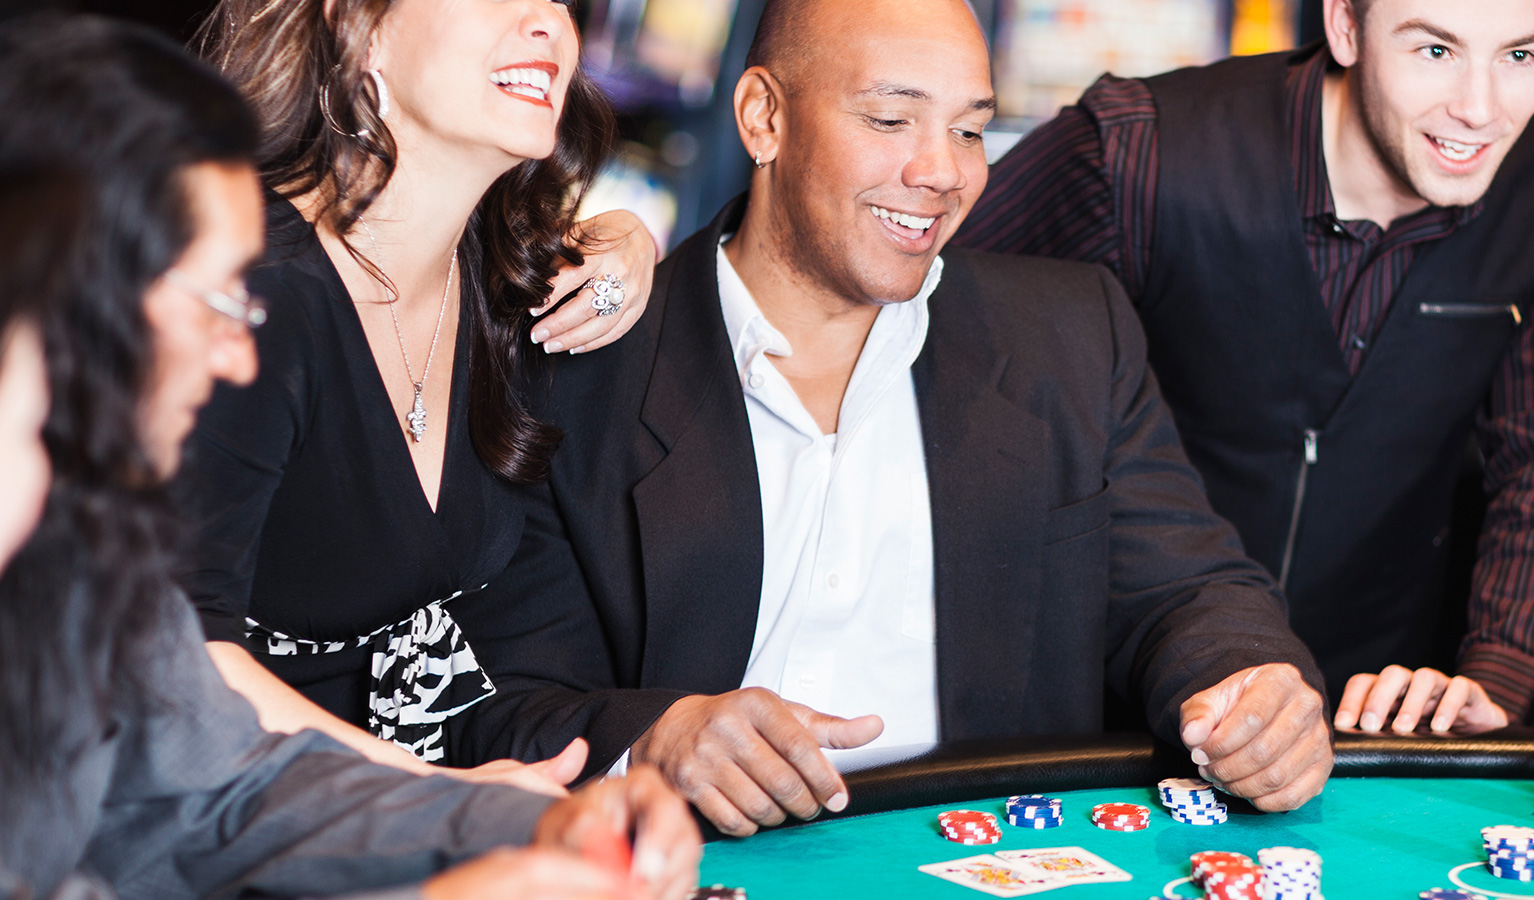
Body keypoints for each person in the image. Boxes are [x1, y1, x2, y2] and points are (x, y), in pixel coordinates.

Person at [445, 0, 1337, 836]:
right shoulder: (573, 362)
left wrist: (1248, 683)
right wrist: (663, 736)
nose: (941, 171)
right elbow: (495, 704)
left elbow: (1189, 591)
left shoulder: (1070, 333)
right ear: (763, 118)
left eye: (970, 129)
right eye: (890, 120)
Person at [0, 16, 701, 900]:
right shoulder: (272, 282)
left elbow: (223, 786)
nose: (543, 21)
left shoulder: (515, 288)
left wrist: (527, 820)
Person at [958, 0, 1534, 736]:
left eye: (1519, 57)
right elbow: (927, 324)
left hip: (1379, 716)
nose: (1479, 109)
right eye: (1435, 52)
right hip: (1120, 713)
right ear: (1345, 25)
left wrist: (1496, 681)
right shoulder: (1130, 153)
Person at [172, 0, 662, 785]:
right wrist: (432, 798)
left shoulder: (506, 288)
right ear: (354, 25)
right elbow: (169, 655)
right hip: (211, 815)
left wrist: (628, 240)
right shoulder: (251, 292)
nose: (549, 25)